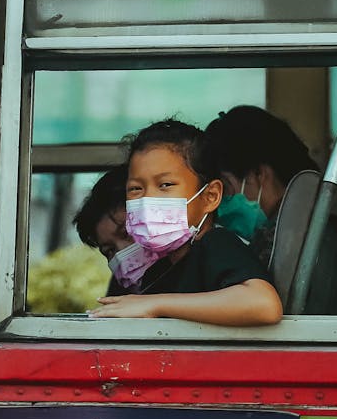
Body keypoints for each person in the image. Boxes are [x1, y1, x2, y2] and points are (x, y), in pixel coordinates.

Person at [89, 119, 282, 326]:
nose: (147, 200)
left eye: (165, 185)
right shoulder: (162, 267)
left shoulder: (215, 243)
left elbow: (263, 304)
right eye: (136, 188)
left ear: (210, 196)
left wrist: (155, 304)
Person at [204, 105, 319, 266]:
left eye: (226, 188)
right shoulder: (320, 215)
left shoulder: (281, 242)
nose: (220, 205)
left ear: (258, 173)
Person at [72, 164, 133, 296]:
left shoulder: (187, 272)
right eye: (110, 250)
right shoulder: (122, 287)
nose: (122, 251)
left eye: (127, 233)